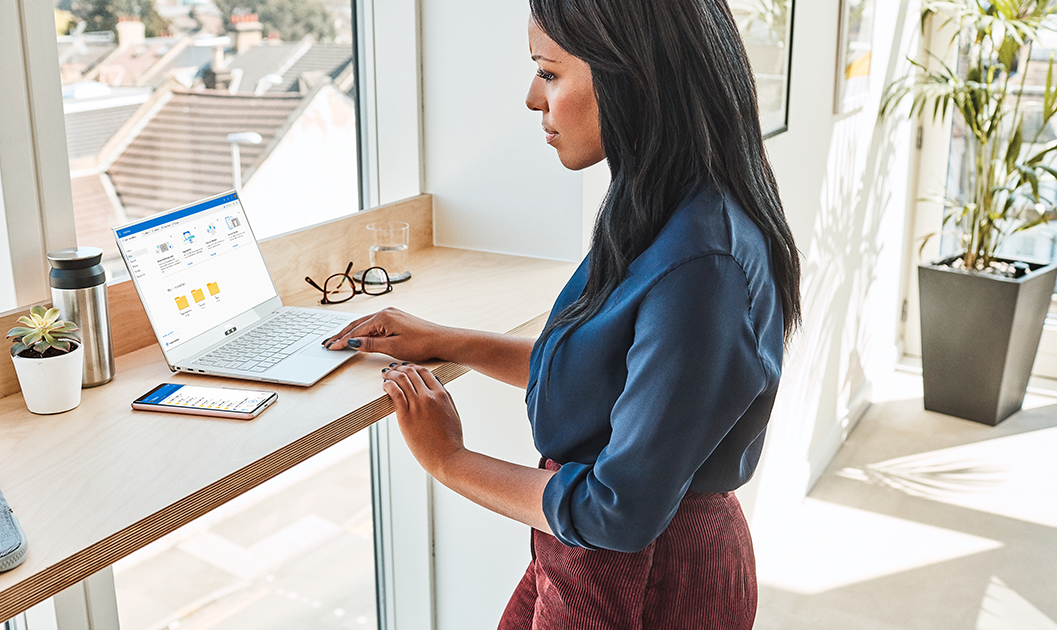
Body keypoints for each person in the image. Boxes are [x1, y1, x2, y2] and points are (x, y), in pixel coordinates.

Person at [324, 0, 802, 627]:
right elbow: (612, 378)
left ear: (630, 75)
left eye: (548, 73)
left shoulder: (700, 264)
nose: (532, 97)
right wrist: (450, 342)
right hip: (590, 547)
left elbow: (617, 510)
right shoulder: (661, 205)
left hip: (643, 568)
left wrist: (449, 459)